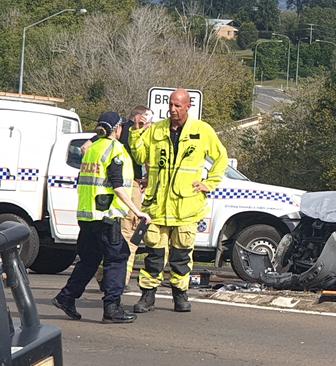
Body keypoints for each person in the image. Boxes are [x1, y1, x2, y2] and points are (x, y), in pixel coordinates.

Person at [129, 88, 228, 313]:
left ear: (188, 106)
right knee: (154, 254)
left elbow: (221, 158)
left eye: (177, 106)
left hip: (186, 207)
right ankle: (147, 296)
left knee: (181, 255)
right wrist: (137, 134)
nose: (172, 109)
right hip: (158, 205)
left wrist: (209, 183)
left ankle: (180, 296)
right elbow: (141, 157)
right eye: (171, 105)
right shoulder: (157, 130)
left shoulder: (202, 131)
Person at [52, 112, 151, 323]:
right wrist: (137, 211)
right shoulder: (115, 150)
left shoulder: (92, 150)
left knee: (89, 260)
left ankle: (66, 297)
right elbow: (117, 186)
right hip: (107, 217)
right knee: (117, 258)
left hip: (87, 217)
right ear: (117, 129)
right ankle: (112, 308)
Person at [87, 106, 154, 290]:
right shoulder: (134, 134)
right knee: (130, 235)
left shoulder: (109, 134)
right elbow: (147, 160)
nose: (148, 125)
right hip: (128, 188)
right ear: (140, 118)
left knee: (113, 236)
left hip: (110, 194)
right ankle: (118, 281)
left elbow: (86, 147)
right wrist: (148, 178)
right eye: (147, 121)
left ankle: (104, 274)